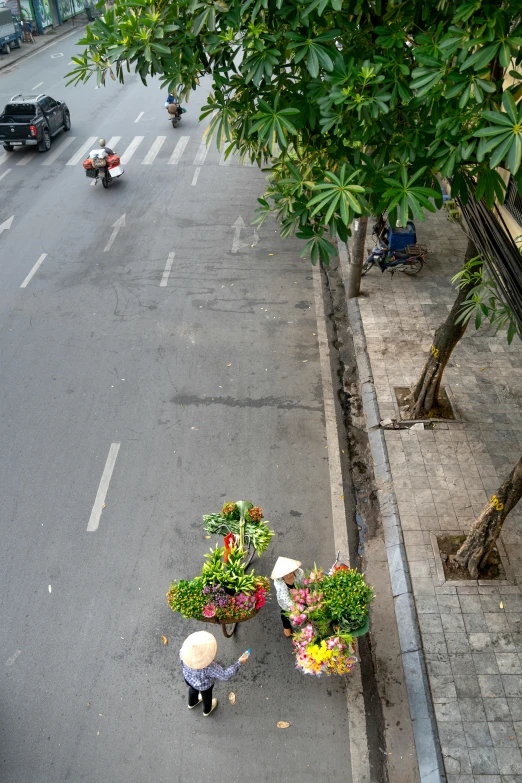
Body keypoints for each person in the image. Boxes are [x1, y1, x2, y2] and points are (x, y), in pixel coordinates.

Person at [179, 631, 249, 716]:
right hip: (204, 686)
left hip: (189, 679)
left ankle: (192, 703)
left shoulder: (183, 651)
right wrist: (239, 662)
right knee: (206, 697)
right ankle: (207, 710)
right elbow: (225, 675)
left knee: (193, 690)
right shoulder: (209, 667)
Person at [271, 556, 304, 637]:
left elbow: (304, 584)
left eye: (290, 572)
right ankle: (286, 626)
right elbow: (286, 598)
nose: (289, 576)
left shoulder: (299, 573)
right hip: (286, 599)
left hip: (299, 593)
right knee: (285, 613)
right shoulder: (279, 582)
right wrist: (295, 609)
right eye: (286, 574)